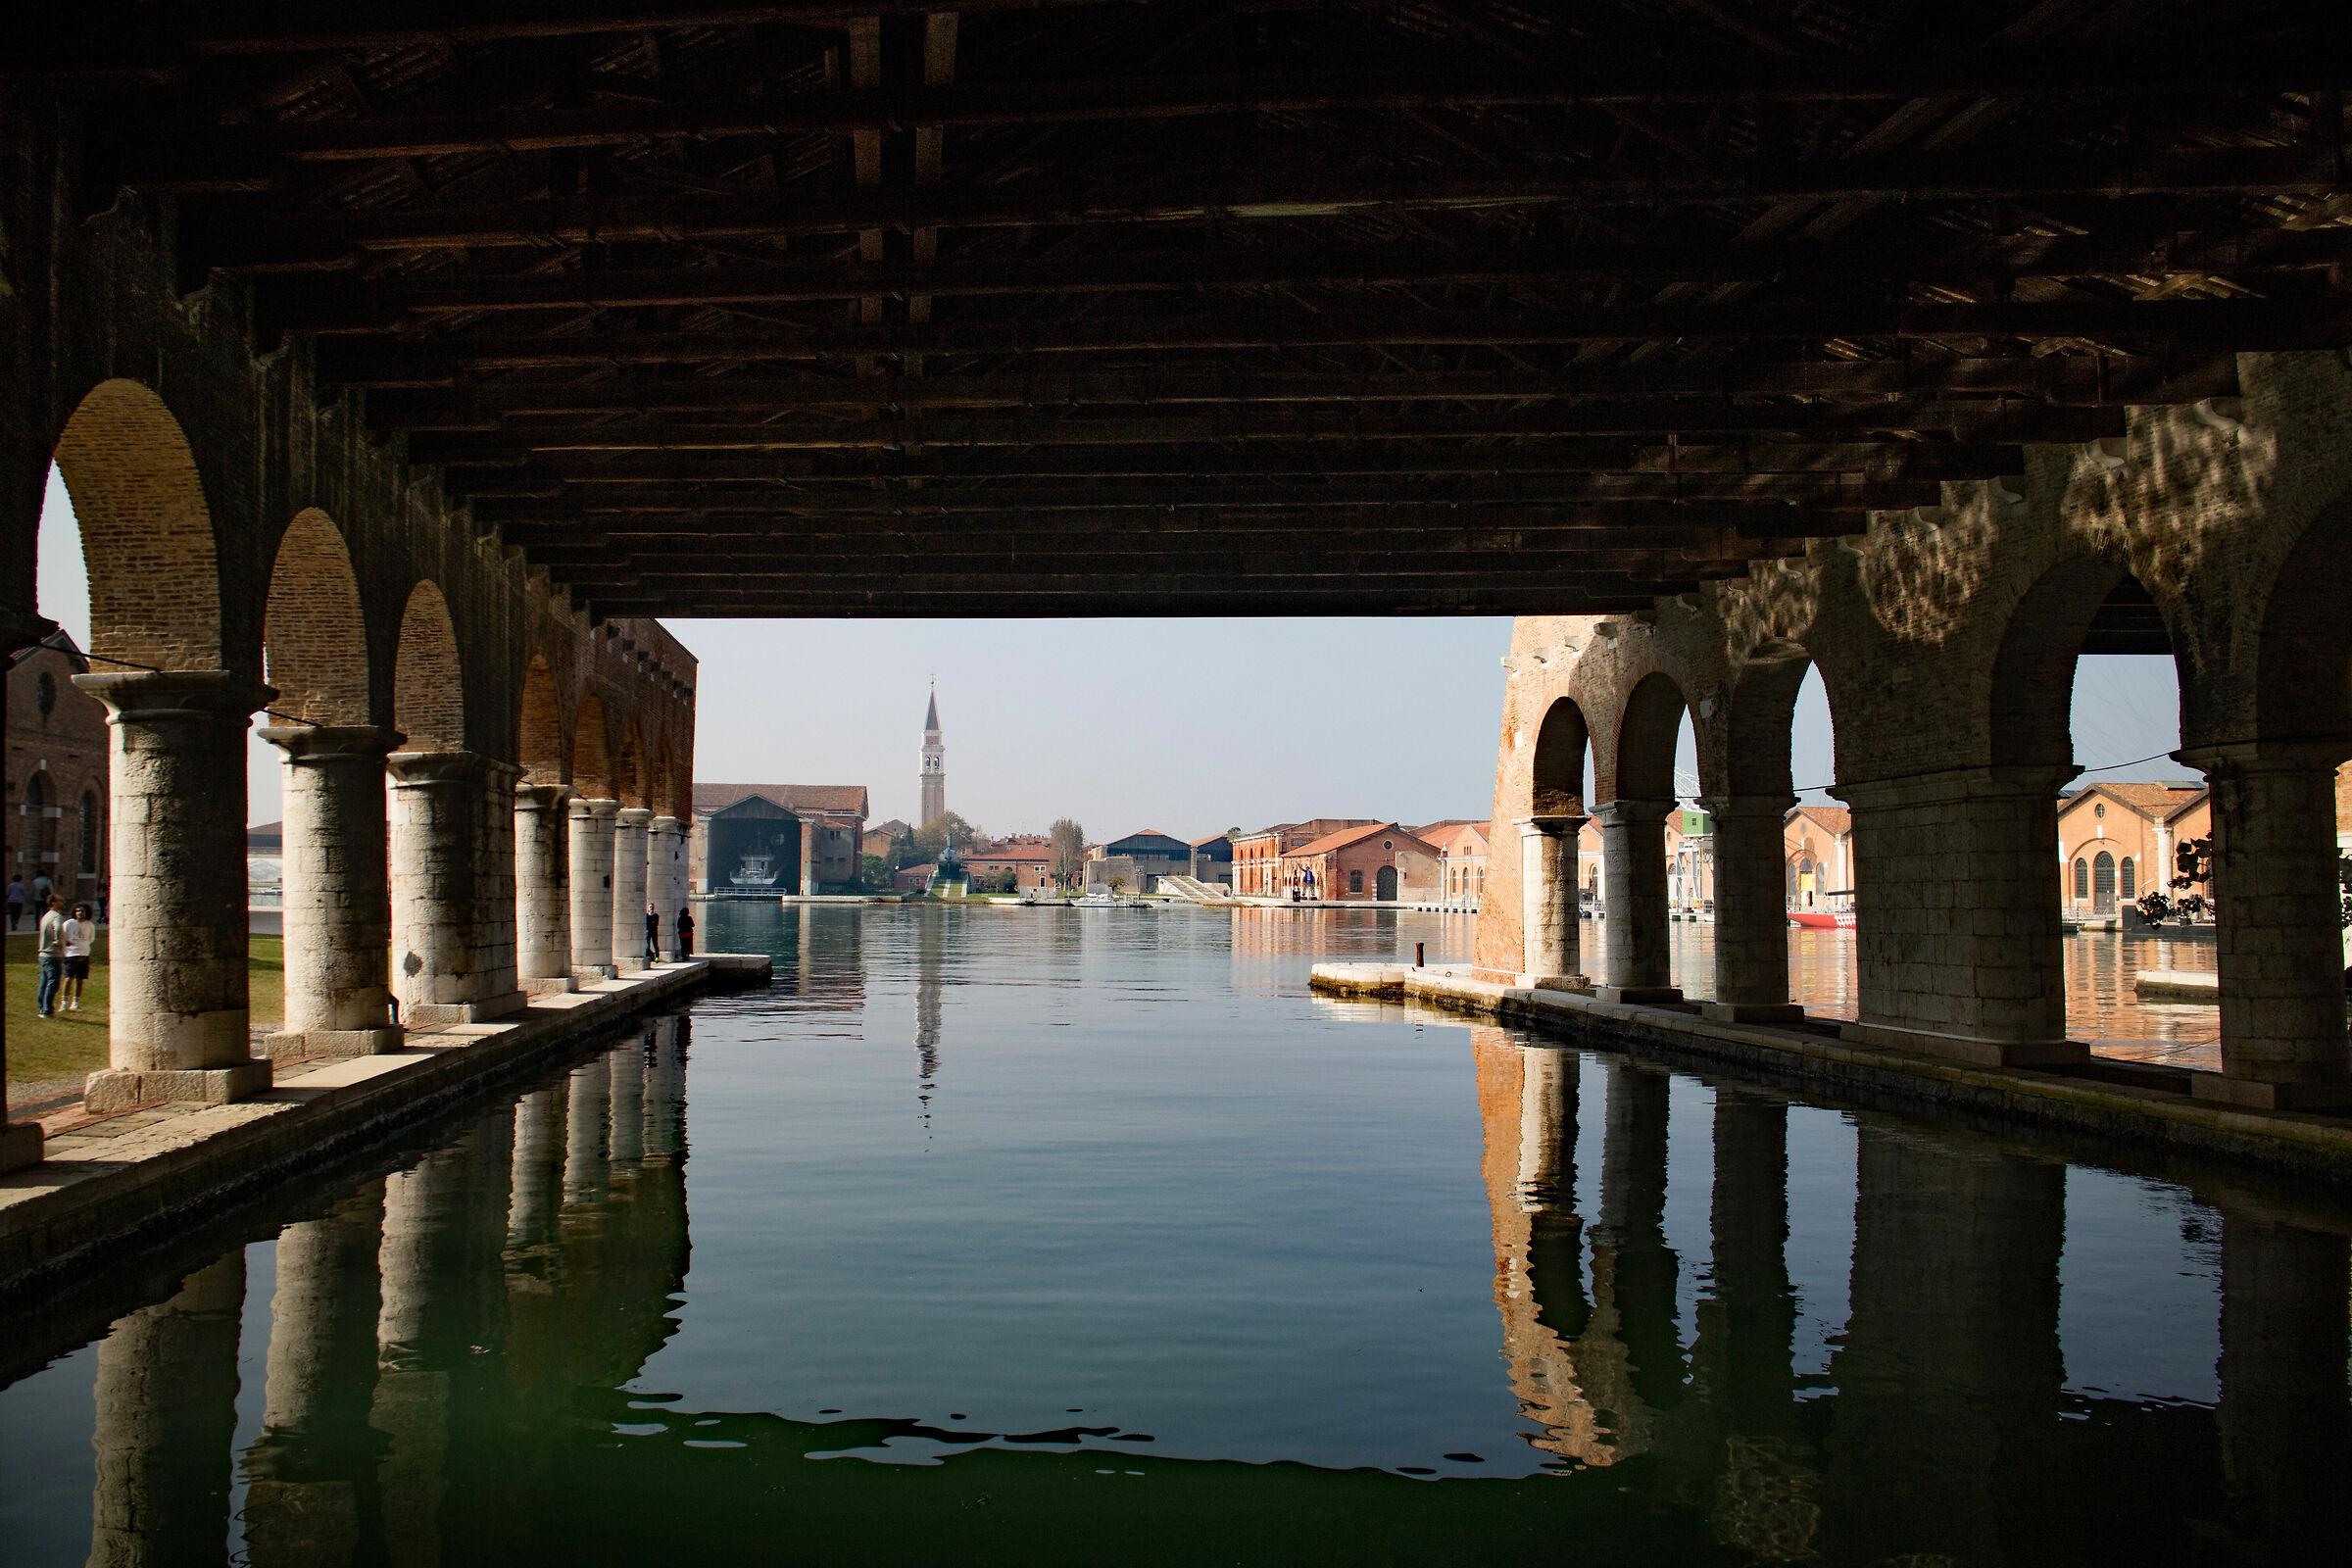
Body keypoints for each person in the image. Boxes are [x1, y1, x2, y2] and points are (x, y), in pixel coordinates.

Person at [34, 896, 67, 1018]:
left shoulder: (46, 916)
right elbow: (57, 928)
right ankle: (47, 1011)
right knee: (53, 983)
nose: (63, 902)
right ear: (53, 903)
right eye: (60, 901)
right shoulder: (56, 916)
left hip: (43, 954)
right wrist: (58, 941)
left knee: (44, 982)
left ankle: (42, 1007)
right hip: (52, 955)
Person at [59, 902, 95, 1011]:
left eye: (82, 911)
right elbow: (63, 937)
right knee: (68, 978)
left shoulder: (90, 925)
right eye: (77, 911)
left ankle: (75, 1003)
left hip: (84, 955)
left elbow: (91, 939)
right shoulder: (69, 923)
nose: (80, 913)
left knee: (80, 980)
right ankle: (64, 1003)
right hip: (71, 954)